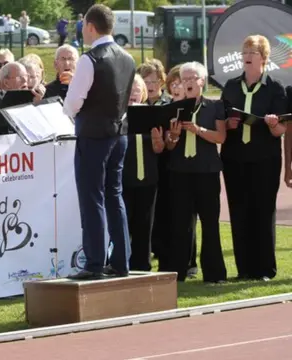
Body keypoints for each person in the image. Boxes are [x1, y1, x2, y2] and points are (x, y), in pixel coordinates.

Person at [63, 4, 136, 279]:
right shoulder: (127, 58)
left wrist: (70, 112)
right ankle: (121, 261)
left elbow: (72, 103)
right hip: (120, 134)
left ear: (91, 26)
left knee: (92, 197)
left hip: (93, 135)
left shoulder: (90, 59)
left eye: (83, 25)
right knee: (114, 195)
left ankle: (94, 263)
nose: (83, 30)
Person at [221, 35, 287, 281]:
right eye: (245, 51)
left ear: (264, 58)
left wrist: (272, 123)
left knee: (263, 211)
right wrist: (228, 123)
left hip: (264, 159)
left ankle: (265, 269)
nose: (247, 56)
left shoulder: (275, 88)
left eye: (253, 52)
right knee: (239, 211)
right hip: (235, 158)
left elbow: (281, 130)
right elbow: (221, 121)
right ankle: (244, 269)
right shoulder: (230, 86)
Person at [164, 62, 227, 283]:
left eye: (193, 78)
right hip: (180, 171)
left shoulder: (214, 106)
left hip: (206, 171)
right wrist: (173, 136)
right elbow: (169, 145)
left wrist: (198, 130)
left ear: (202, 81)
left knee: (210, 223)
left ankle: (214, 273)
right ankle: (178, 272)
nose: (188, 83)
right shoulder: (175, 107)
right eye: (185, 79)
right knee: (181, 223)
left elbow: (220, 137)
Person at [122, 75, 164, 271]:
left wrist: (158, 141)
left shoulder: (152, 114)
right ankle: (122, 263)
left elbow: (159, 148)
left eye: (137, 89)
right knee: (125, 223)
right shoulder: (118, 114)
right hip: (124, 178)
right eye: (130, 90)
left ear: (143, 93)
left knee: (145, 225)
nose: (133, 93)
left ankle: (142, 265)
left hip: (148, 177)